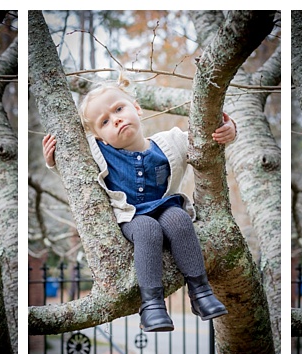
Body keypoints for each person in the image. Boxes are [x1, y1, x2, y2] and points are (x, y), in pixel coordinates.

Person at [42, 72, 234, 332]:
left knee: (179, 218)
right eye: (105, 121)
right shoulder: (101, 153)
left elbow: (204, 139)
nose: (116, 119)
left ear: (137, 108)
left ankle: (200, 292)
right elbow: (75, 170)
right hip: (131, 217)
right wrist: (54, 160)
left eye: (119, 108)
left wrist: (228, 131)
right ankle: (152, 304)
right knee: (147, 229)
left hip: (164, 207)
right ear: (100, 137)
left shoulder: (169, 142)